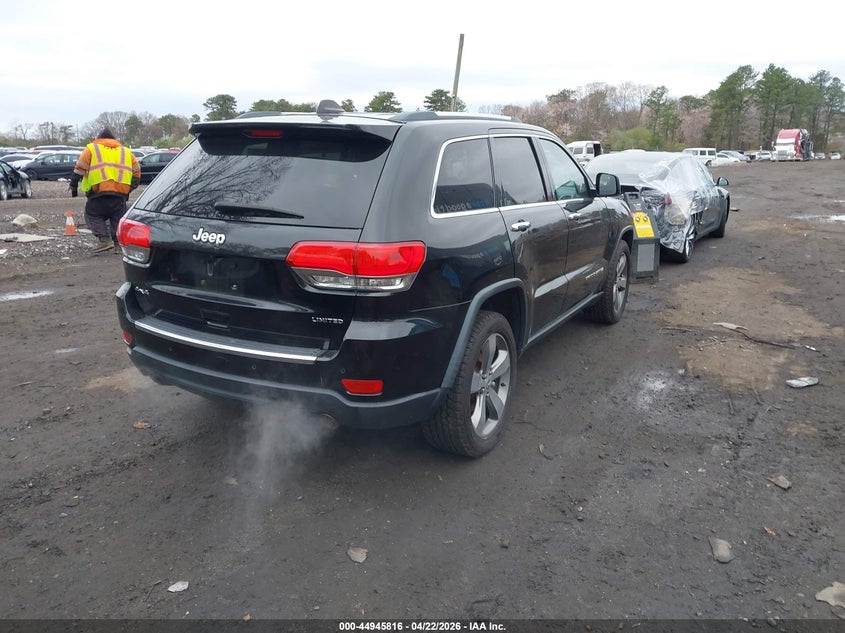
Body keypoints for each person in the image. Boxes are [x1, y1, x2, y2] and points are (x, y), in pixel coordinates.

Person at [69, 127, 140, 254]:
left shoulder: (92, 148)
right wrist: (128, 189)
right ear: (114, 139)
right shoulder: (126, 151)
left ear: (99, 138)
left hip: (98, 191)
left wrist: (74, 187)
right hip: (120, 193)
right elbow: (137, 172)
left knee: (93, 214)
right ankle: (118, 246)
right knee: (117, 218)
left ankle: (104, 240)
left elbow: (79, 168)